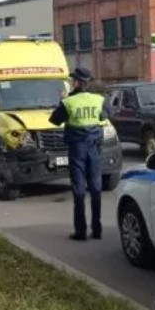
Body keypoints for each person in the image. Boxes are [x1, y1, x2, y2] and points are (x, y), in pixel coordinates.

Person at [49, 67, 107, 241]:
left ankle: (80, 232)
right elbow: (103, 118)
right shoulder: (99, 100)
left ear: (75, 82)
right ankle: (97, 230)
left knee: (79, 189)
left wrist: (62, 100)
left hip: (77, 149)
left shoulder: (69, 102)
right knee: (96, 189)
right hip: (94, 148)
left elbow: (54, 120)